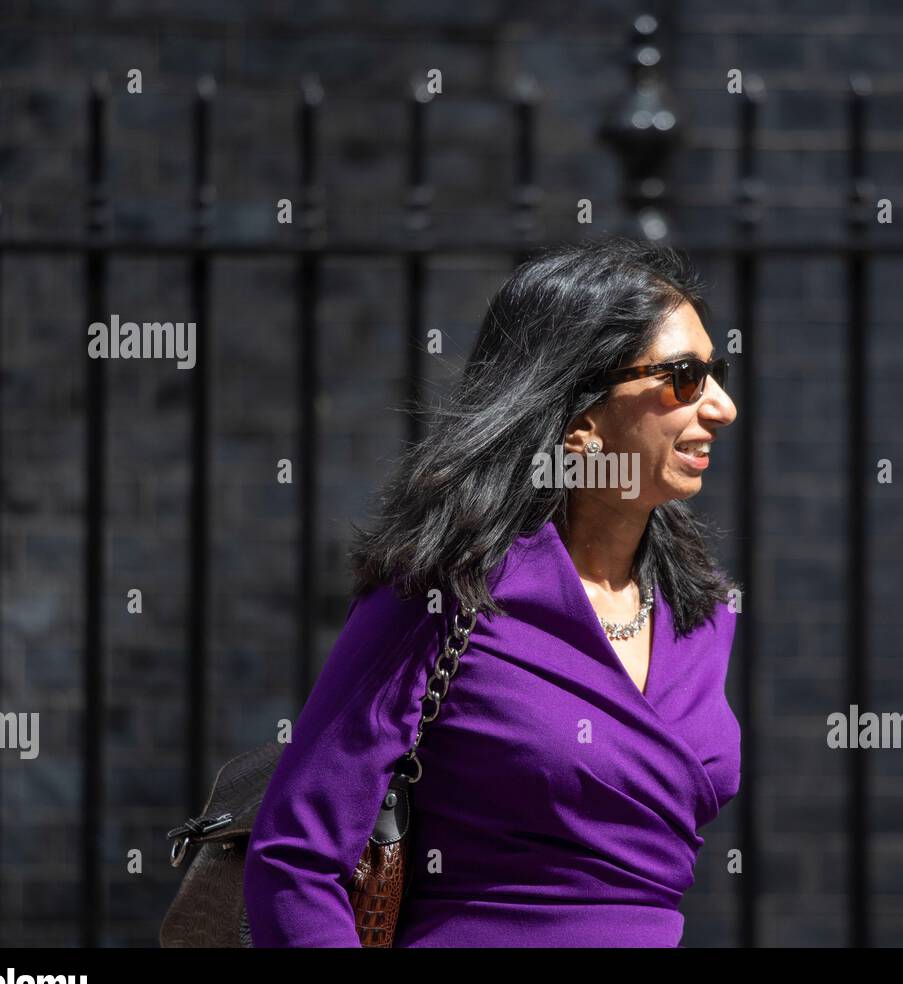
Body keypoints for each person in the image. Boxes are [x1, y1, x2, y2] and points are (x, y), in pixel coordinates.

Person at [242, 234, 741, 947]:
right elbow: (296, 860)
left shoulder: (701, 614)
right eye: (685, 378)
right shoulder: (445, 592)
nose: (722, 406)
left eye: (716, 373)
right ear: (582, 417)